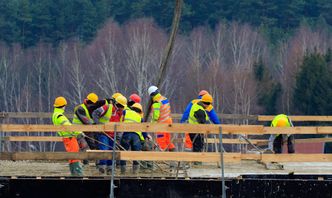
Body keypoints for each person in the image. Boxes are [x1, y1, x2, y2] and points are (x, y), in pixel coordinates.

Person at [52, 96, 83, 176]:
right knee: (75, 155)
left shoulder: (55, 114)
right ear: (63, 106)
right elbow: (69, 127)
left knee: (71, 156)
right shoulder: (60, 116)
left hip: (66, 138)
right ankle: (77, 173)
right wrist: (79, 133)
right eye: (64, 105)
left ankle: (74, 173)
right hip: (70, 137)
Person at [120, 103, 148, 174]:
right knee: (136, 154)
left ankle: (123, 171)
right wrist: (144, 139)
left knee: (123, 152)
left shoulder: (125, 112)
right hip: (136, 136)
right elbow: (143, 131)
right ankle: (135, 172)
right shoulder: (140, 118)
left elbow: (121, 121)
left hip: (126, 134)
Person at [148, 86, 175, 151]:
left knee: (161, 141)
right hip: (169, 122)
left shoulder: (156, 103)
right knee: (167, 140)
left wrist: (151, 124)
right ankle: (172, 153)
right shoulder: (165, 99)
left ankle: (163, 158)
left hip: (161, 124)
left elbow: (156, 116)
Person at [188, 94, 211, 158]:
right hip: (196, 130)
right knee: (198, 145)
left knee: (196, 145)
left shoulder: (196, 105)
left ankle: (196, 160)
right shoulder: (199, 110)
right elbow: (202, 122)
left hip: (192, 129)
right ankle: (197, 160)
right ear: (206, 103)